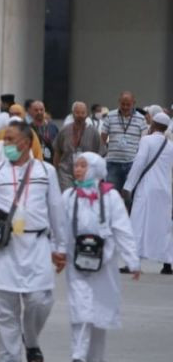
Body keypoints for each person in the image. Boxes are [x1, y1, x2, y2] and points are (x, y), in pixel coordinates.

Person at [0, 121, 66, 362]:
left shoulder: (46, 172)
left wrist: (60, 247)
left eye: (11, 139)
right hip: (4, 247)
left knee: (40, 301)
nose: (6, 144)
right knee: (5, 311)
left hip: (37, 246)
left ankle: (31, 339)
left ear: (25, 142)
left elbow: (56, 210)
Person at [62, 152, 140, 362]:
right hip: (76, 264)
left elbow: (122, 229)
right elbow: (61, 228)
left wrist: (132, 260)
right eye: (76, 165)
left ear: (95, 169)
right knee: (81, 311)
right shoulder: (69, 196)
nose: (77, 169)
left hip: (103, 266)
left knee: (98, 317)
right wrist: (58, 251)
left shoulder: (110, 197)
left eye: (82, 165)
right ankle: (78, 355)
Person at [122, 112, 173, 274]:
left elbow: (139, 163)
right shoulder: (171, 145)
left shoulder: (146, 140)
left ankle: (132, 262)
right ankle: (167, 264)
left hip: (146, 187)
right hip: (164, 189)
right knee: (164, 226)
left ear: (153, 125)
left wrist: (128, 186)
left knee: (137, 222)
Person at [101, 91, 147, 197]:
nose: (125, 107)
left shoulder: (141, 118)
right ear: (119, 102)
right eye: (123, 104)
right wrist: (106, 150)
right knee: (111, 195)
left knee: (130, 197)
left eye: (128, 104)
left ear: (133, 103)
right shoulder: (110, 116)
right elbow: (103, 136)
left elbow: (144, 140)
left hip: (132, 163)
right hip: (113, 162)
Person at [53, 102, 104, 190]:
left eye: (82, 113)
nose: (80, 115)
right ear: (72, 114)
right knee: (67, 197)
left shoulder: (93, 132)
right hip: (66, 172)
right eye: (77, 113)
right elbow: (57, 152)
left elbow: (100, 155)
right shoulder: (64, 130)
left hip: (86, 173)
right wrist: (56, 171)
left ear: (87, 114)